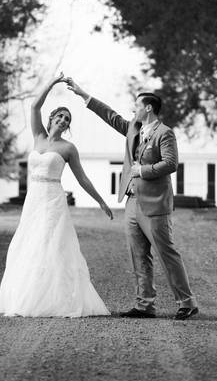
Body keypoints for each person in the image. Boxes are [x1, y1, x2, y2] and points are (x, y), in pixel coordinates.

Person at [66, 78, 199, 321]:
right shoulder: (133, 129)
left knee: (166, 253)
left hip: (155, 205)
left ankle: (187, 303)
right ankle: (144, 305)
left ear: (148, 108)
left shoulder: (165, 133)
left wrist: (142, 170)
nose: (133, 110)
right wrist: (83, 94)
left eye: (136, 105)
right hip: (131, 202)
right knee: (139, 256)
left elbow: (171, 164)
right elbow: (111, 116)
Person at [0, 73, 113, 318]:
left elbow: (82, 178)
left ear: (67, 126)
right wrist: (51, 83)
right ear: (51, 119)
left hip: (52, 199)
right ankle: (29, 295)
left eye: (67, 119)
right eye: (59, 116)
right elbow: (34, 105)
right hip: (33, 199)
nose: (62, 120)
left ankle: (58, 299)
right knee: (29, 243)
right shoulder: (38, 136)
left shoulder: (68, 148)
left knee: (51, 244)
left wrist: (101, 201)